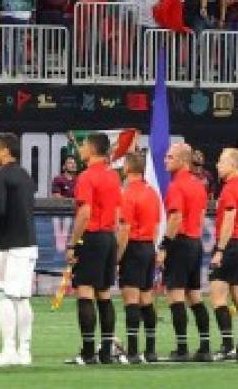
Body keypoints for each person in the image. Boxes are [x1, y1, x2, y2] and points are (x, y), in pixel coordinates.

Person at [65, 132, 121, 366]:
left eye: (83, 146)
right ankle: (106, 351)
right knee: (104, 293)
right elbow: (118, 213)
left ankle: (88, 352)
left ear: (91, 148)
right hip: (109, 236)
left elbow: (85, 213)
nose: (80, 150)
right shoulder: (113, 176)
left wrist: (73, 243)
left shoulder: (87, 177)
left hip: (92, 236)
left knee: (85, 292)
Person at [159, 142, 210, 362]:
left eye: (170, 157)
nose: (165, 160)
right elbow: (200, 216)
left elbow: (175, 217)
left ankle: (181, 348)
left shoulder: (176, 186)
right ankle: (205, 347)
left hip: (179, 243)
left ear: (181, 160)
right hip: (195, 241)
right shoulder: (199, 184)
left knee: (175, 295)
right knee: (195, 295)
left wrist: (164, 246)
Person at [0, 133, 38, 367]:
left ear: (6, 151)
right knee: (22, 298)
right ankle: (24, 350)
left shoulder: (1, 175)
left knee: (4, 295)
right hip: (28, 243)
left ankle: (9, 349)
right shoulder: (25, 175)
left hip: (10, 244)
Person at [209, 147, 238, 362]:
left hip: (230, 246)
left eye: (221, 161)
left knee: (218, 297)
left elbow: (229, 219)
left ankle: (227, 347)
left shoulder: (229, 190)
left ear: (232, 165)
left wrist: (220, 250)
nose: (217, 165)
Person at [115, 151, 161, 365]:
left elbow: (124, 228)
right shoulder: (152, 192)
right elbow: (157, 223)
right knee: (146, 299)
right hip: (148, 247)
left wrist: (117, 257)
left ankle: (132, 352)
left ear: (127, 168)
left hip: (133, 247)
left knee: (131, 300)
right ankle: (150, 350)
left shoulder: (127, 194)